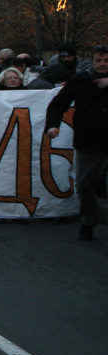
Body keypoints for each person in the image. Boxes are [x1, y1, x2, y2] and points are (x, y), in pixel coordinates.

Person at [45, 44, 108, 241]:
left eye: (106, 61)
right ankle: (88, 220)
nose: (102, 64)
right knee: (84, 185)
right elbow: (58, 104)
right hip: (88, 139)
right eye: (99, 60)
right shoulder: (79, 80)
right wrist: (52, 126)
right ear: (92, 60)